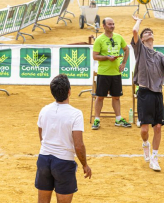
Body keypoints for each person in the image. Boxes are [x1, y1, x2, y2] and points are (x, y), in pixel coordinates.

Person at [35, 74, 92, 203]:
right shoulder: (75, 114)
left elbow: (42, 137)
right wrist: (85, 165)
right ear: (69, 91)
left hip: (44, 159)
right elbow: (78, 145)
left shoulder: (44, 110)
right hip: (63, 163)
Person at [131, 15, 164, 172]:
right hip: (144, 93)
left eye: (150, 32)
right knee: (144, 130)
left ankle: (154, 158)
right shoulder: (140, 50)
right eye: (146, 32)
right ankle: (145, 144)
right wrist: (139, 21)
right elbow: (134, 30)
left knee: (157, 127)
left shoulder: (159, 55)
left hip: (157, 94)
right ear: (142, 39)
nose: (149, 33)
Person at [92, 17, 131, 130]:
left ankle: (118, 119)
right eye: (109, 24)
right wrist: (107, 58)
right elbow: (95, 56)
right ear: (103, 26)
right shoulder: (99, 40)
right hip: (103, 73)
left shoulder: (119, 37)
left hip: (116, 73)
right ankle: (97, 119)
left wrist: (124, 63)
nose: (112, 26)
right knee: (100, 97)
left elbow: (126, 49)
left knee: (116, 97)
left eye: (113, 24)